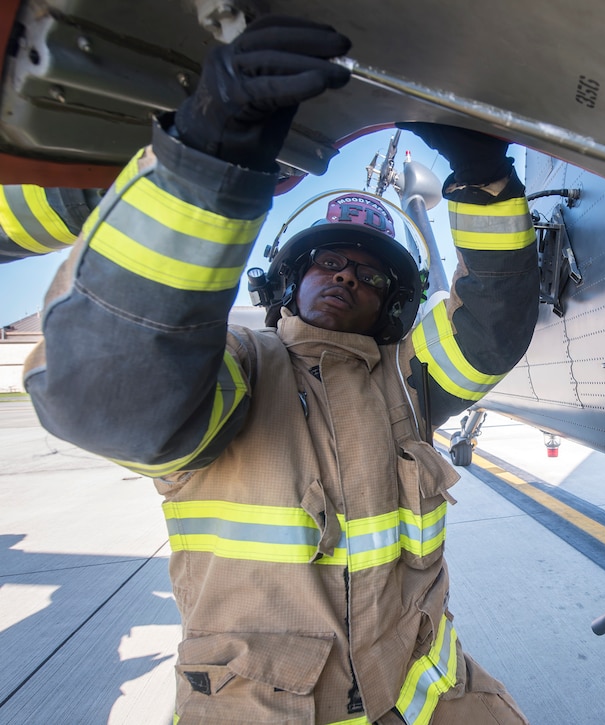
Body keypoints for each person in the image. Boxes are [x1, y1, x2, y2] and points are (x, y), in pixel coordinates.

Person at [22, 16, 537, 725]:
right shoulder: (234, 367)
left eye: (368, 275)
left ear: (391, 308)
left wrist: (486, 188)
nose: (346, 277)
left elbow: (494, 325)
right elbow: (110, 394)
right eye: (327, 263)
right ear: (286, 283)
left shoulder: (408, 379)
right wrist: (200, 172)